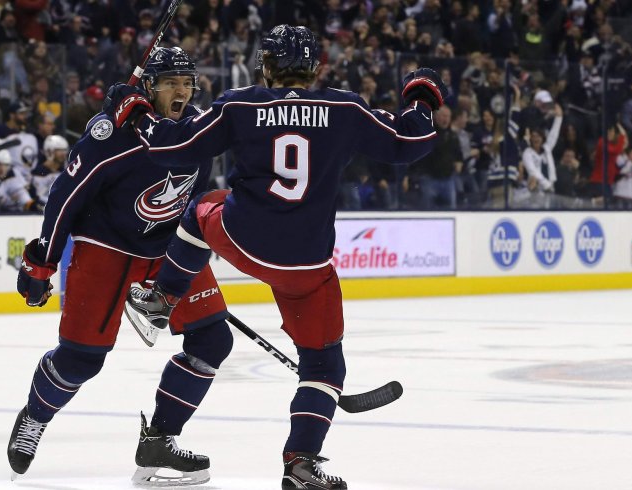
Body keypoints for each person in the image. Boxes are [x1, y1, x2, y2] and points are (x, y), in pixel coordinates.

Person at [111, 25, 445, 489]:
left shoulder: (241, 103)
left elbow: (172, 148)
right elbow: (413, 142)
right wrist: (422, 94)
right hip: (306, 264)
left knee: (202, 206)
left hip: (243, 238)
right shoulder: (345, 107)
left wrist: (137, 112)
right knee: (325, 367)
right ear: (315, 67)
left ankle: (161, 299)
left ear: (264, 65)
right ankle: (302, 461)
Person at [7, 47, 232, 487]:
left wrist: (192, 251)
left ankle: (160, 439)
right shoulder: (112, 135)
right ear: (149, 86)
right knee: (80, 361)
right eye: (171, 82)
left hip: (166, 250)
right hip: (106, 250)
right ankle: (35, 417)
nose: (182, 91)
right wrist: (42, 262)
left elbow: (193, 198)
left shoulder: (197, 132)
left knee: (212, 340)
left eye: (187, 83)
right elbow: (64, 198)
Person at [30, 134, 67, 204]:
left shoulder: (64, 171)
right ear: (49, 151)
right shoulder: (38, 172)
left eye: (64, 150)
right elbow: (39, 197)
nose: (63, 153)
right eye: (59, 150)